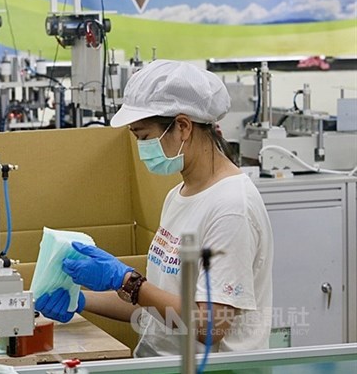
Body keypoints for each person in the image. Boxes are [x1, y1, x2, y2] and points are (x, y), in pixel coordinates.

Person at [35, 60, 273, 356]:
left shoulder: (231, 207)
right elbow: (155, 305)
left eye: (144, 137)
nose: (141, 149)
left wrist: (126, 280)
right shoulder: (178, 195)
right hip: (158, 363)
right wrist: (80, 300)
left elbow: (209, 325)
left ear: (183, 126)